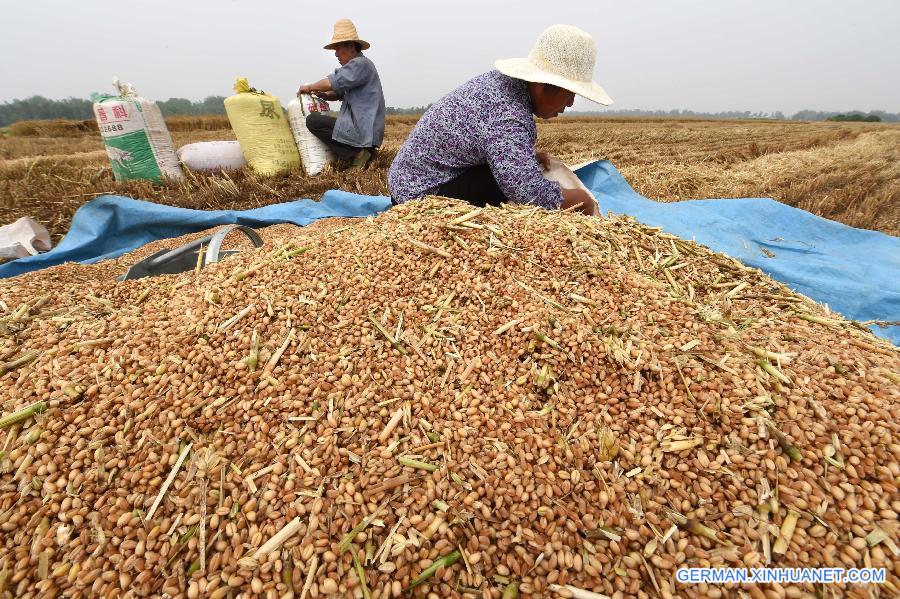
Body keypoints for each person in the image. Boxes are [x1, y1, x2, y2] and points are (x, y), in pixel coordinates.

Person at [388, 24, 612, 214]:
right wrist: (583, 200)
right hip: (417, 194)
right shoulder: (509, 115)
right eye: (569, 94)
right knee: (506, 187)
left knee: (514, 171)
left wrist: (526, 157)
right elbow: (528, 192)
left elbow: (488, 141)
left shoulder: (504, 86)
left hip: (411, 178)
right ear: (543, 86)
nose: (570, 103)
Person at [296, 19, 386, 169]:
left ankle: (358, 153)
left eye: (338, 48)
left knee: (313, 121)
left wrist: (309, 87)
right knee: (324, 122)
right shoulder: (359, 68)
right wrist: (326, 95)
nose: (336, 54)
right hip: (365, 133)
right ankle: (364, 153)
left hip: (361, 131)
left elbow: (333, 82)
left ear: (351, 46)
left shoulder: (359, 64)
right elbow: (339, 92)